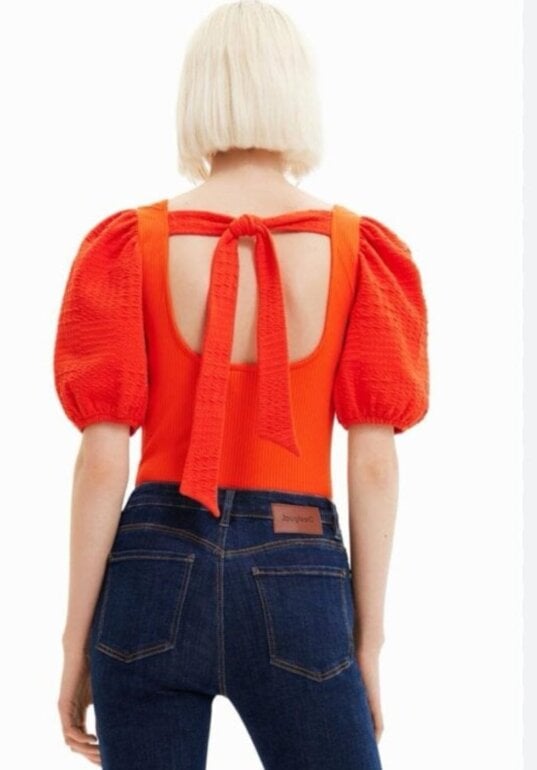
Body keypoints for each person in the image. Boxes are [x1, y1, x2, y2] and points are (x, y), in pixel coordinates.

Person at [53, 1, 430, 768]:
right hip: (297, 568)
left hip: (152, 563)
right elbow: (372, 463)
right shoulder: (357, 250)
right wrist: (367, 641)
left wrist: (73, 643)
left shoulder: (132, 244)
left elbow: (101, 460)